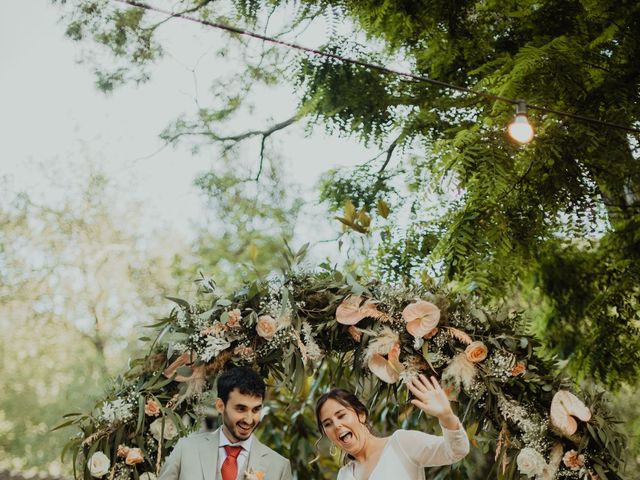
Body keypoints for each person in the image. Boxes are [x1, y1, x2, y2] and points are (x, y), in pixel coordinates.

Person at [315, 375, 470, 480]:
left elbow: (456, 451)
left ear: (361, 415)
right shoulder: (344, 475)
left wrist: (447, 416)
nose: (336, 425)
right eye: (327, 424)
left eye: (341, 415)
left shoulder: (401, 443)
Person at [159, 366, 292, 480]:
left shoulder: (279, 467)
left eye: (256, 409)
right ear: (220, 406)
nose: (249, 419)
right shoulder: (186, 449)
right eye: (241, 409)